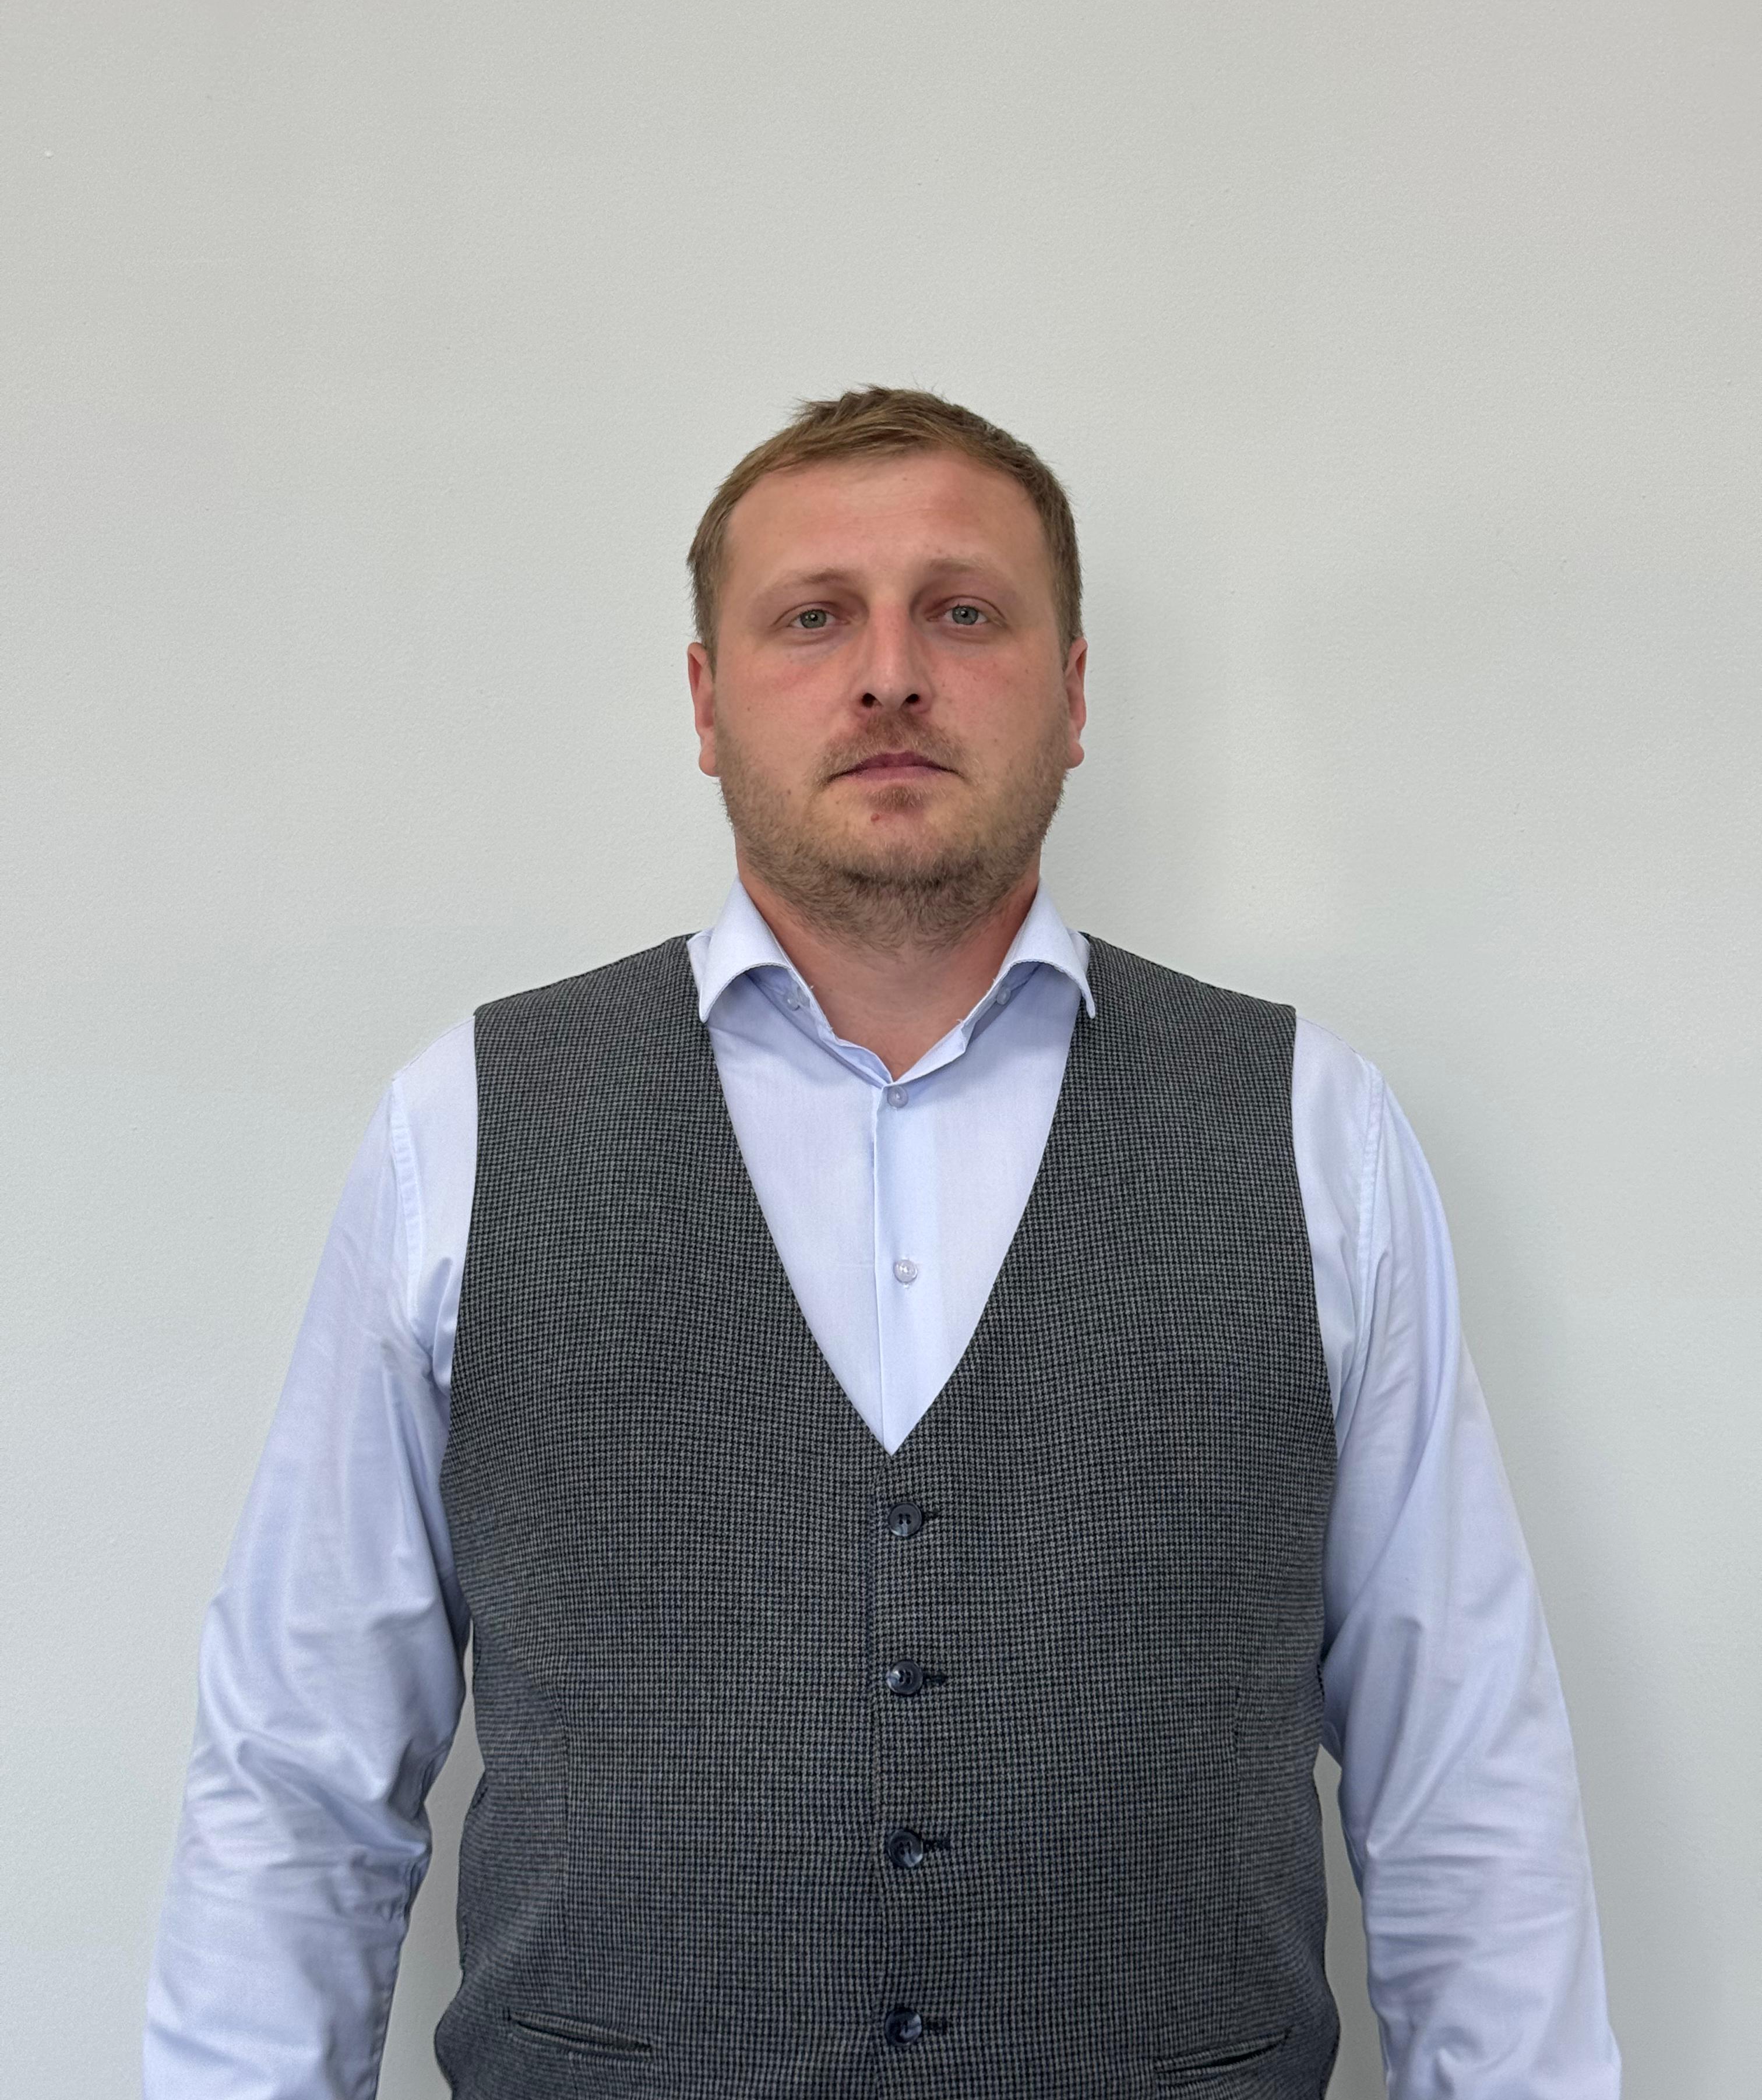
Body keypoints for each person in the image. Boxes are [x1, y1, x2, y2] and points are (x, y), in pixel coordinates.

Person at [144, 387, 1620, 2098]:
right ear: (708, 702)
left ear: (1075, 696)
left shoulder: (1308, 1127)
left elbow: (1464, 1779)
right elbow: (299, 1774)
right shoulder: (467, 1121)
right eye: (814, 618)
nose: (891, 675)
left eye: (965, 612)